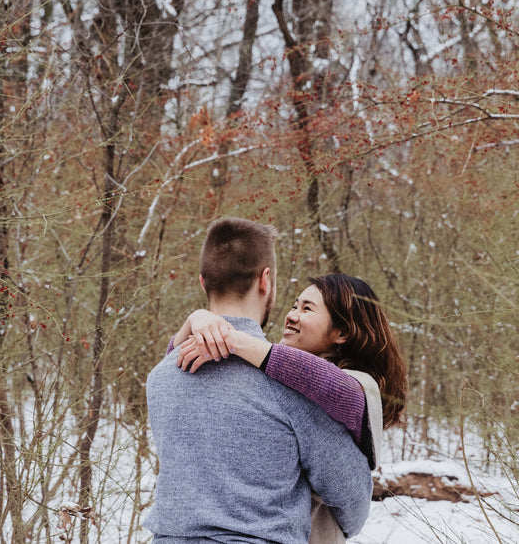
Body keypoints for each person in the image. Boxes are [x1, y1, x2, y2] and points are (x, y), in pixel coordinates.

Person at [145, 218, 372, 544]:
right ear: (266, 281)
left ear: (202, 282)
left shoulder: (160, 378)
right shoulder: (294, 385)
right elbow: (352, 498)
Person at [171, 274, 407, 543]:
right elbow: (172, 374)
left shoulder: (357, 385)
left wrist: (232, 339)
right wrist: (194, 323)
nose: (292, 315)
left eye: (307, 309)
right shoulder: (282, 375)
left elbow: (333, 387)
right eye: (295, 306)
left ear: (342, 333)